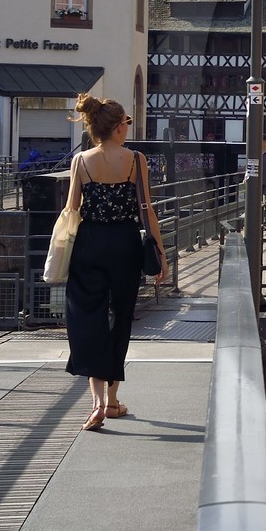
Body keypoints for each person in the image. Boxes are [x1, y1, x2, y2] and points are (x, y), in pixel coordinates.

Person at [63, 94, 164, 431]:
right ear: (120, 127)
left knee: (88, 318)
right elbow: (146, 209)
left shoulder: (81, 162)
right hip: (124, 243)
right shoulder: (136, 160)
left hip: (89, 244)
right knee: (121, 317)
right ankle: (112, 399)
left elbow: (71, 211)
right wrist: (161, 255)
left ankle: (95, 403)